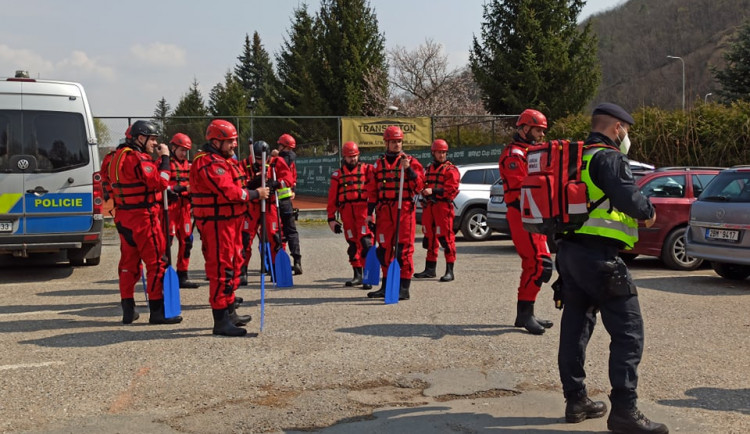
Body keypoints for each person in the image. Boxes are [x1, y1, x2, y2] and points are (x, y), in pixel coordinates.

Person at [556, 103, 666, 434]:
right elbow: (630, 199)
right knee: (629, 333)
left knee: (575, 328)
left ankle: (576, 400)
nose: (627, 137)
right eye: (626, 130)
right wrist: (648, 210)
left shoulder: (575, 158)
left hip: (569, 253)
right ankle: (624, 413)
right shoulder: (609, 157)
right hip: (600, 258)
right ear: (617, 128)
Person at [190, 119, 269, 337]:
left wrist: (255, 183)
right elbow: (230, 192)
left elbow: (239, 185)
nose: (234, 145)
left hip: (231, 223)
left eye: (234, 141)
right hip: (217, 224)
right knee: (221, 270)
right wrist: (255, 194)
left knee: (234, 266)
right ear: (215, 142)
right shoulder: (207, 162)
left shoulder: (225, 160)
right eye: (230, 142)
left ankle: (230, 311)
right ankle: (220, 321)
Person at [107, 120, 182, 325]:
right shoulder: (138, 158)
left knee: (128, 264)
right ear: (140, 138)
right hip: (143, 219)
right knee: (156, 263)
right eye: (152, 139)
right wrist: (165, 157)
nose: (155, 143)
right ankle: (157, 312)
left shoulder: (111, 158)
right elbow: (160, 181)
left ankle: (128, 310)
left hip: (124, 217)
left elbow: (112, 185)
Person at [498, 109, 554, 335]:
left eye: (542, 130)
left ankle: (525, 313)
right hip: (522, 213)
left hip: (536, 213)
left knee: (533, 264)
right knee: (539, 262)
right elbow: (523, 187)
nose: (541, 134)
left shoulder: (534, 152)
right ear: (524, 128)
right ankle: (525, 313)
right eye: (538, 130)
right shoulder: (514, 155)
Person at [366, 126, 424, 301]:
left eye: (399, 141)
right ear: (387, 143)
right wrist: (369, 214)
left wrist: (409, 170)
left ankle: (404, 288)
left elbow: (419, 186)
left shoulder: (410, 161)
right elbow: (372, 191)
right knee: (384, 250)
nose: (396, 144)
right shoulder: (378, 164)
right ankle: (386, 286)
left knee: (403, 251)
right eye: (393, 142)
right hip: (384, 211)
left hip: (404, 210)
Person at [239, 140, 294, 281]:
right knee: (245, 238)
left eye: (261, 158)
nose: (260, 161)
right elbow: (238, 182)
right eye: (257, 159)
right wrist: (250, 184)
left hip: (270, 205)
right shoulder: (245, 164)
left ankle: (276, 270)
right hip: (252, 206)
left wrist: (275, 183)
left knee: (274, 237)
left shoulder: (277, 162)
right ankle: (242, 271)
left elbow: (288, 179)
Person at [326, 141, 375, 289]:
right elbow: (332, 198)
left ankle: (368, 275)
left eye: (354, 156)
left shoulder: (368, 170)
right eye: (349, 157)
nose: (352, 159)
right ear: (344, 158)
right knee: (353, 244)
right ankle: (357, 275)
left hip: (363, 212)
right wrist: (331, 219)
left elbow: (376, 187)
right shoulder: (338, 175)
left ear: (358, 155)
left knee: (366, 243)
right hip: (346, 212)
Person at [414, 139, 460, 282]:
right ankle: (430, 269)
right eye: (439, 152)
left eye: (444, 152)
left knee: (446, 239)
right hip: (429, 207)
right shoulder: (428, 169)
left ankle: (449, 271)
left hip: (442, 207)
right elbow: (420, 183)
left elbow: (451, 189)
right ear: (433, 153)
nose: (442, 155)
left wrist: (432, 191)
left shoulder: (451, 170)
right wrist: (422, 191)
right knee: (429, 238)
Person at [166, 133, 199, 289]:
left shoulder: (190, 165)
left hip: (185, 208)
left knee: (187, 241)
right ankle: (164, 275)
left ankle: (182, 274)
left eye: (186, 151)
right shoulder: (164, 163)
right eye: (181, 150)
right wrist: (176, 189)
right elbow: (159, 184)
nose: (184, 153)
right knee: (167, 241)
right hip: (170, 208)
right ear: (173, 148)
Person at [275, 133, 302, 275]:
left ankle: (279, 261)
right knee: (291, 231)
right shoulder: (292, 161)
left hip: (276, 200)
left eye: (280, 145)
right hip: (287, 200)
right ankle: (297, 260)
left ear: (284, 146)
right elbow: (294, 178)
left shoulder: (279, 160)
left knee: (277, 231)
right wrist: (293, 190)